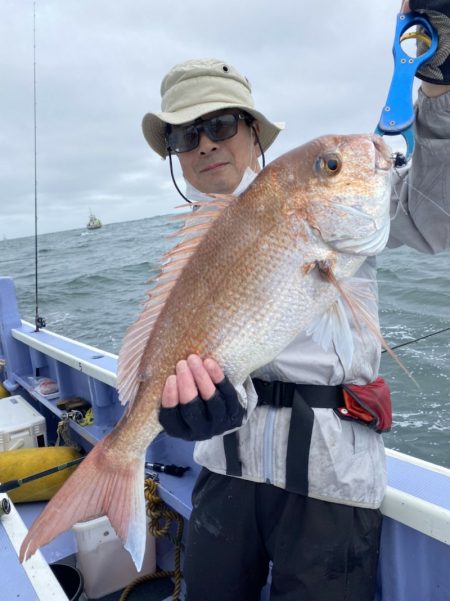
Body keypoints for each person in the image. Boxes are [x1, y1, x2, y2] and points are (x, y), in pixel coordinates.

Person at [141, 1, 450, 599]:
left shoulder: (324, 196)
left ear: (254, 128)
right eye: (185, 133)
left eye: (221, 123)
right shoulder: (185, 257)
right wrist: (172, 407)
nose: (205, 143)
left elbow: (436, 219)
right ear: (177, 154)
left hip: (329, 479)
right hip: (223, 469)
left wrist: (438, 91)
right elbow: (168, 359)